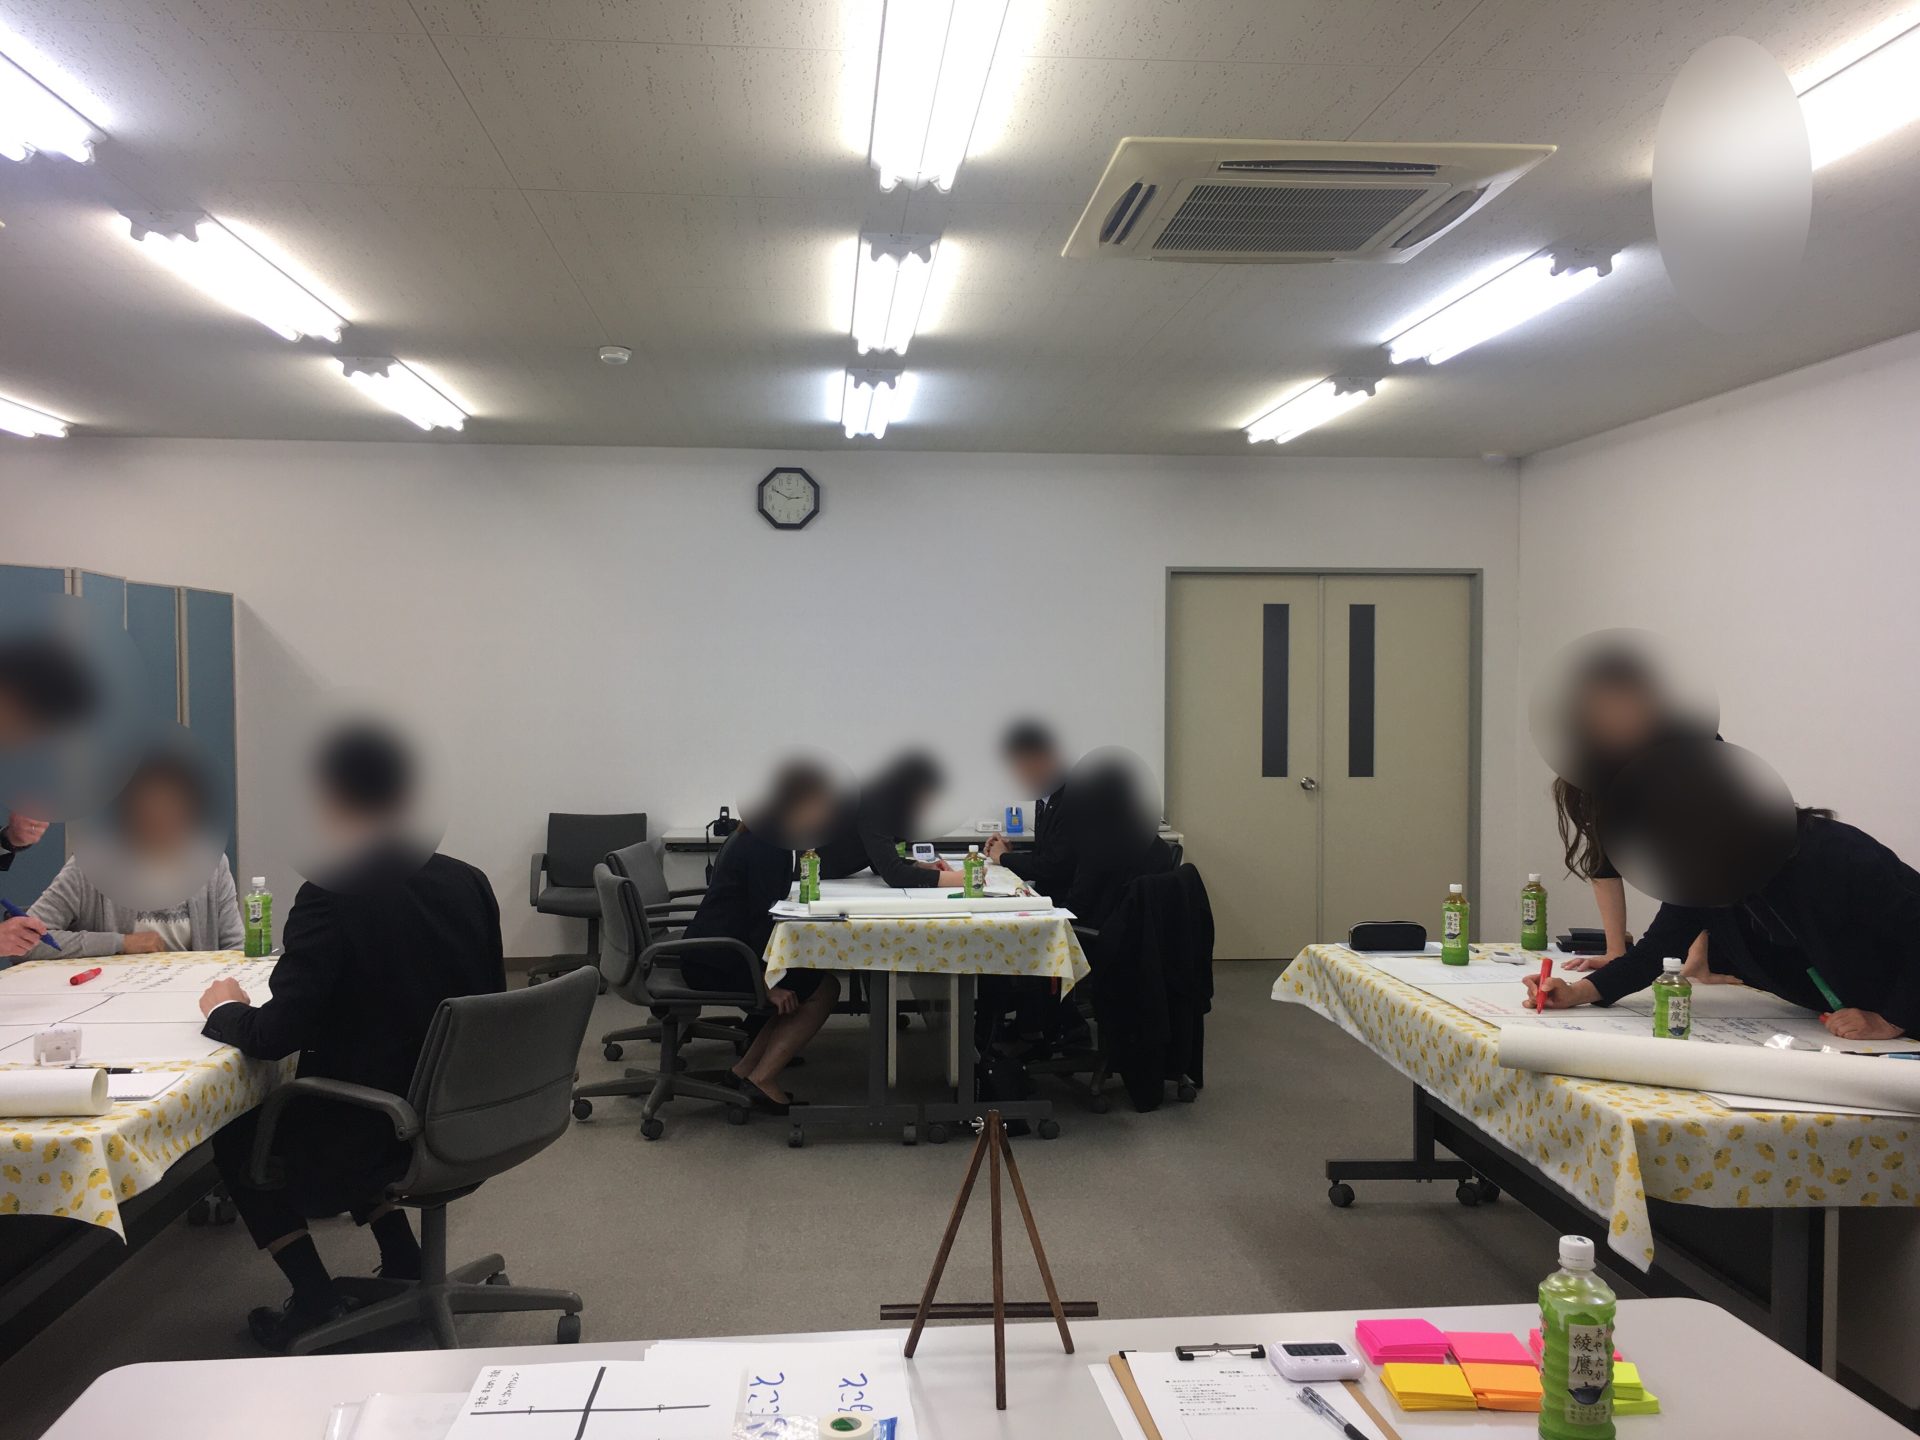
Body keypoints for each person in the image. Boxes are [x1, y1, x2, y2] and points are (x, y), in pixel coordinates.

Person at [196, 723, 504, 1350]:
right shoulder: (467, 880)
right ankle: (404, 1257)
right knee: (357, 1089)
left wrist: (224, 1008)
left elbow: (276, 1034)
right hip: (471, 1117)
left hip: (382, 1128)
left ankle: (314, 1299)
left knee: (239, 1128)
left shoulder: (330, 897)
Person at [1526, 808, 1920, 1041]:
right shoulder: (1703, 872)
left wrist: (1891, 1019)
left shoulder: (1834, 852)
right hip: (1845, 1029)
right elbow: (1654, 952)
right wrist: (1577, 993)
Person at [681, 760, 842, 1111]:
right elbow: (760, 918)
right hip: (720, 958)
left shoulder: (765, 834)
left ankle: (744, 1072)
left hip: (719, 950)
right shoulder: (768, 845)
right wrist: (769, 984)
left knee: (803, 980)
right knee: (822, 987)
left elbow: (762, 911)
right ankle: (763, 1078)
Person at [1548, 647, 1714, 980]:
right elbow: (1603, 859)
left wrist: (1698, 957)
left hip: (1730, 914)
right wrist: (1615, 951)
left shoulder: (1692, 747)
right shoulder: (1594, 762)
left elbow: (1708, 861)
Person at [19, 755, 241, 959]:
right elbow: (27, 943)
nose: (161, 815)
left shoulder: (211, 863)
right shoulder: (92, 865)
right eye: (150, 805)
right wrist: (119, 943)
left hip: (194, 986)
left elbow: (236, 947)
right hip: (115, 985)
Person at [817, 751, 962, 889]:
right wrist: (958, 879)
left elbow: (877, 861)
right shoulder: (874, 804)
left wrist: (920, 866)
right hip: (808, 874)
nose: (930, 807)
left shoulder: (888, 805)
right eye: (930, 797)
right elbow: (894, 874)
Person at [984, 721, 1073, 896]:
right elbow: (1045, 856)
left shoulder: (1071, 800)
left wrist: (1004, 857)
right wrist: (1009, 853)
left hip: (1065, 902)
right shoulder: (1044, 797)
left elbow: (1054, 867)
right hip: (1047, 894)